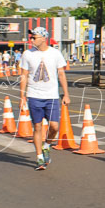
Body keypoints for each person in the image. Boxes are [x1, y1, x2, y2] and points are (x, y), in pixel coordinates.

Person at [19, 27, 70, 170]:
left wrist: (66, 94)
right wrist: (22, 96)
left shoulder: (55, 53)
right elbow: (24, 75)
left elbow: (61, 74)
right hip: (34, 96)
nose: (32, 39)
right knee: (37, 127)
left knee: (54, 126)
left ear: (43, 38)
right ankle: (39, 157)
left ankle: (47, 144)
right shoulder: (27, 54)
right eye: (31, 37)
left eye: (34, 37)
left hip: (52, 96)